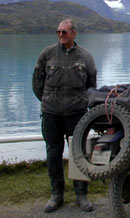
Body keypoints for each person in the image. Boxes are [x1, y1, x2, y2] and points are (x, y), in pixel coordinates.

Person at [32, 19, 97, 213]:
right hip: (51, 114)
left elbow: (91, 87)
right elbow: (37, 83)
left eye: (65, 32)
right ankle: (56, 195)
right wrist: (47, 100)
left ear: (74, 34)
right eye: (59, 32)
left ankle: (81, 195)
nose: (61, 35)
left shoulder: (86, 56)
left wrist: (81, 102)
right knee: (53, 154)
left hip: (77, 114)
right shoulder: (47, 54)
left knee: (79, 154)